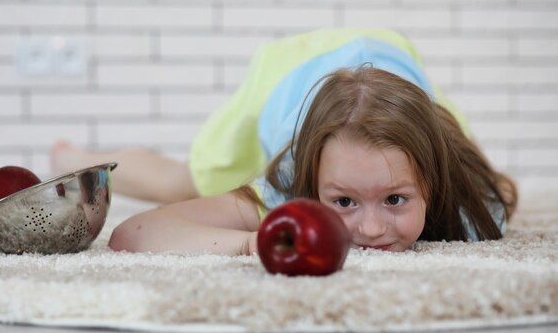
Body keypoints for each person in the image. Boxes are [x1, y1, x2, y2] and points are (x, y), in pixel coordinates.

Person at [50, 28, 518, 255]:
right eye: (345, 201)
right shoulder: (291, 182)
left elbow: (504, 192)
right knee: (184, 182)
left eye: (395, 198)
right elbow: (136, 234)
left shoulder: (464, 195)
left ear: (433, 184)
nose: (372, 230)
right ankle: (73, 157)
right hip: (285, 76)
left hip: (394, 55)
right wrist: (257, 244)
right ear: (312, 183)